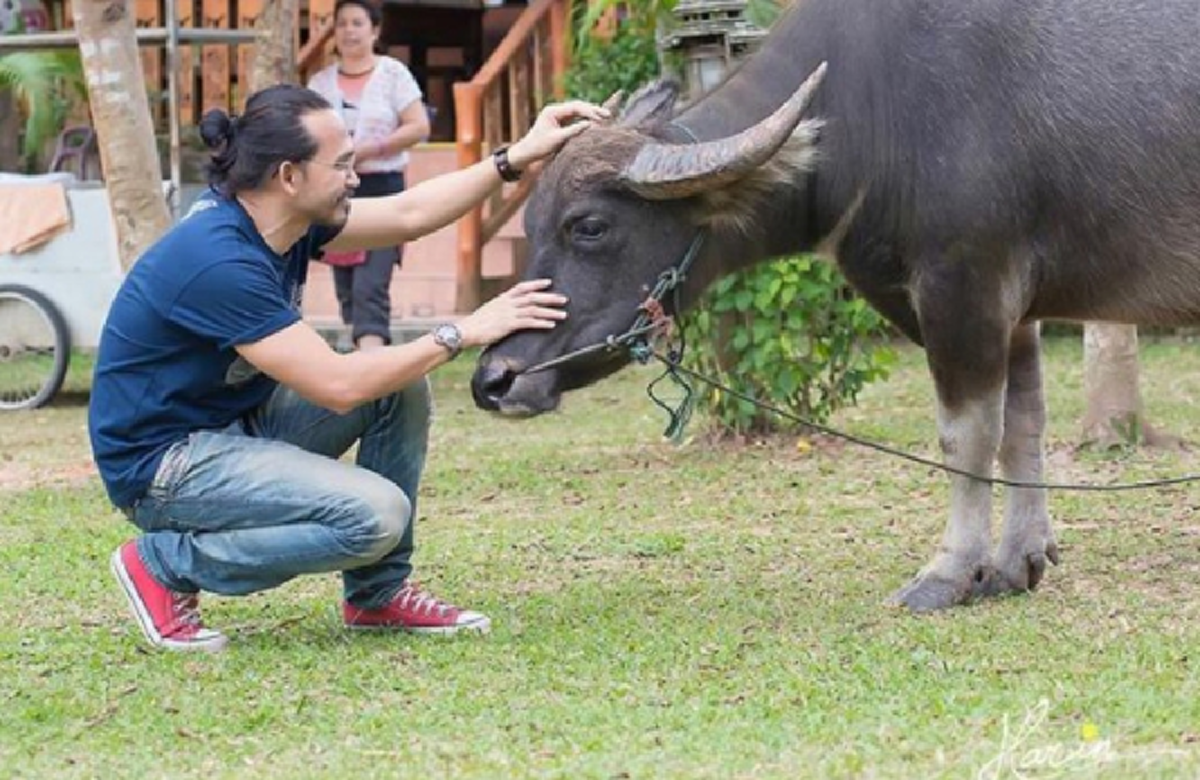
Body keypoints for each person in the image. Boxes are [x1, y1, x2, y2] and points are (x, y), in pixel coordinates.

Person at [89, 83, 607, 652]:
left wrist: (515, 158)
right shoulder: (219, 260)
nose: (356, 177)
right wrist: (463, 331)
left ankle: (376, 595)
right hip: (164, 466)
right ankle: (163, 563)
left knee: (398, 388)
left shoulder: (280, 220)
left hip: (233, 426)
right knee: (373, 516)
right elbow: (337, 387)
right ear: (289, 176)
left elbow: (410, 213)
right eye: (342, 165)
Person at [307, 0, 428, 351]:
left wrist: (373, 149)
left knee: (370, 285)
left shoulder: (393, 74)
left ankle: (374, 366)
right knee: (346, 286)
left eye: (357, 23)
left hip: (382, 188)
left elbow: (418, 126)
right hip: (336, 191)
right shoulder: (320, 83)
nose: (349, 31)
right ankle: (366, 363)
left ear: (374, 30)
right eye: (342, 23)